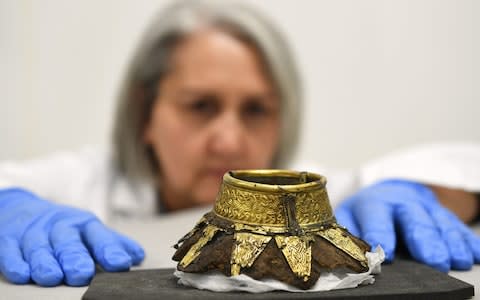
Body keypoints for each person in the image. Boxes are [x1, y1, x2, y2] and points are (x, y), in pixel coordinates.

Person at [0, 0, 479, 287]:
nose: (229, 141)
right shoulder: (78, 185)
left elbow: (462, 170)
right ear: (145, 113)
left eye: (255, 110)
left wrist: (402, 189)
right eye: (200, 106)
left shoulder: (308, 195)